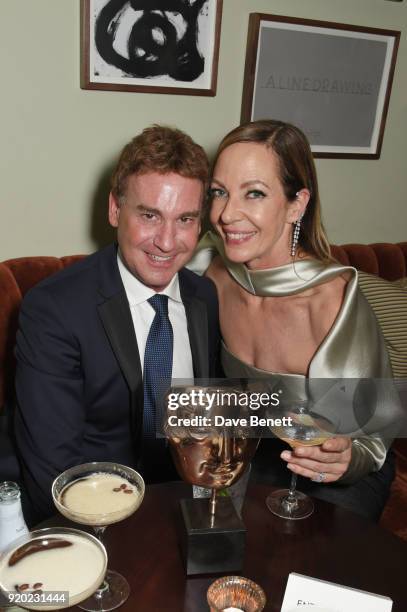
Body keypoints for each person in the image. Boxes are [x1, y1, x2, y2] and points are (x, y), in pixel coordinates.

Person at [188, 119, 402, 520]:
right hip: (257, 447)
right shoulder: (216, 277)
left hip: (334, 467)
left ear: (297, 204)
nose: (227, 214)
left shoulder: (331, 301)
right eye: (219, 192)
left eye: (254, 193)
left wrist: (347, 460)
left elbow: (374, 433)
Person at [14, 125, 221, 522]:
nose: (166, 241)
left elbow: (208, 420)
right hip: (93, 519)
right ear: (114, 209)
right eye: (149, 215)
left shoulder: (204, 298)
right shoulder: (54, 310)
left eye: (185, 219)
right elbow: (53, 479)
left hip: (180, 508)